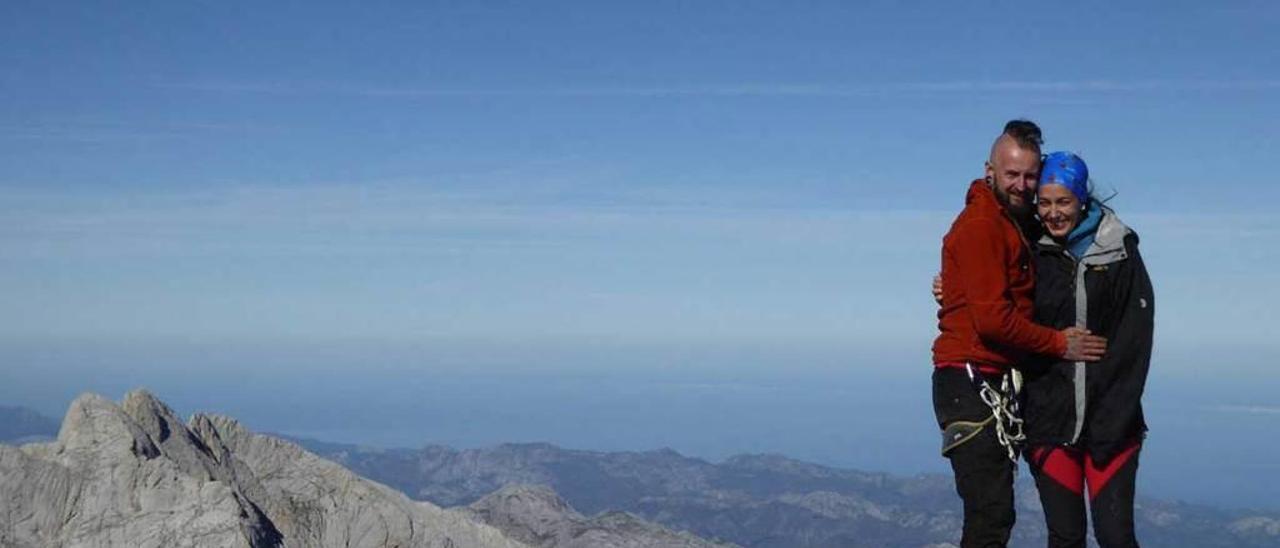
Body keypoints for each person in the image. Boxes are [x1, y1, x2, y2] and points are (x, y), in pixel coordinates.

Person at [934, 151, 1155, 547]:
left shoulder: (1119, 252)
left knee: (1115, 536)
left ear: (1082, 199)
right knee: (1065, 537)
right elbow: (1001, 305)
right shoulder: (1030, 250)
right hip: (1048, 421)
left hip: (1112, 423)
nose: (1053, 213)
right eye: (1046, 202)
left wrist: (1115, 418)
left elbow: (1133, 346)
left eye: (1064, 201)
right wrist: (953, 285)